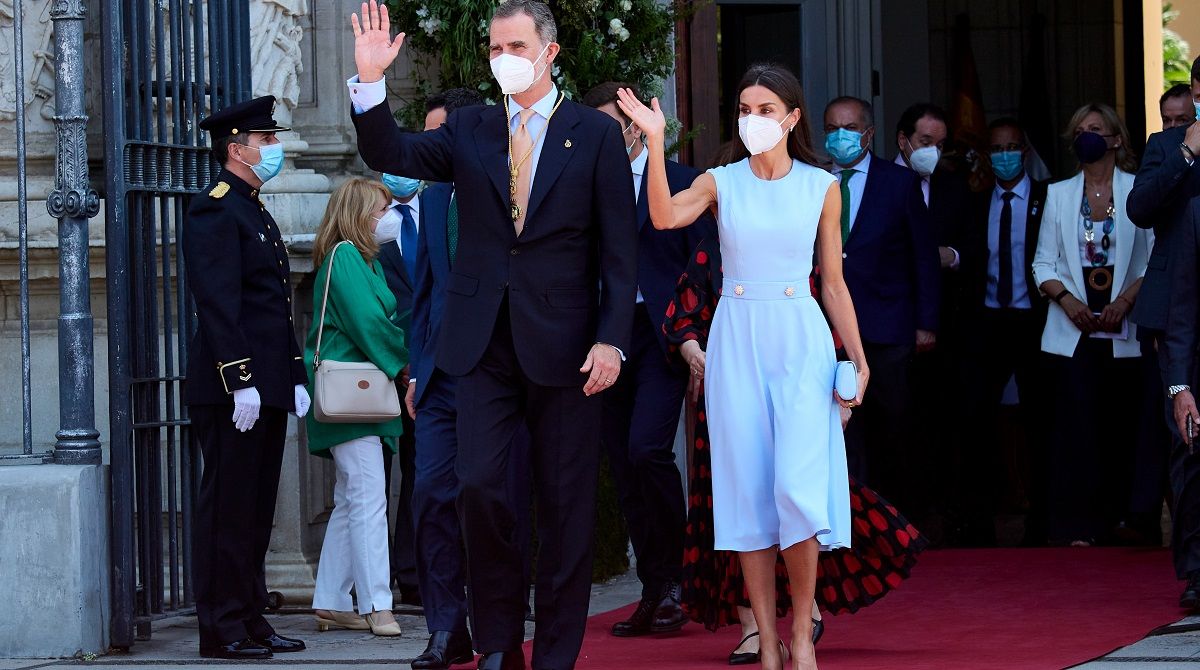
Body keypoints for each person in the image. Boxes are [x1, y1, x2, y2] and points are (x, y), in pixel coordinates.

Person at [347, 3, 638, 668]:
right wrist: (370, 83)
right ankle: (499, 645)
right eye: (495, 47)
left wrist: (612, 340)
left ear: (549, 52)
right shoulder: (470, 127)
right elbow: (392, 151)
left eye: (516, 46)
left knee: (564, 507)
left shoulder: (593, 133)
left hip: (568, 349)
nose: (503, 57)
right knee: (478, 490)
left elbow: (620, 253)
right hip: (481, 345)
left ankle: (555, 654)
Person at [618, 61, 869, 670]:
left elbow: (833, 283)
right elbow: (663, 217)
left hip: (801, 337)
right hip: (736, 339)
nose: (752, 120)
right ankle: (766, 641)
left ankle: (802, 632)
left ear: (792, 118)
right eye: (744, 109)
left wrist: (858, 360)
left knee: (797, 491)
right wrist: (655, 140)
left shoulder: (821, 187)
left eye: (765, 110)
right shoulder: (720, 181)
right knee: (748, 496)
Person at [666, 236, 927, 664]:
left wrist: (843, 382)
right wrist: (695, 352)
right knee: (739, 509)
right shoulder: (711, 246)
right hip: (731, 386)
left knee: (795, 497)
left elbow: (828, 305)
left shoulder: (797, 238)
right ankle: (754, 629)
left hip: (795, 385)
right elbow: (682, 316)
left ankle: (805, 618)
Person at [582, 80, 715, 638]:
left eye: (617, 126)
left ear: (639, 126)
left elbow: (703, 264)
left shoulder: (681, 181)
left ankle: (677, 579)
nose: (609, 138)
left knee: (647, 450)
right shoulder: (581, 184)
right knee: (623, 460)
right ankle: (654, 588)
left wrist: (694, 337)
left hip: (663, 334)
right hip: (603, 338)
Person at [184, 96, 310, 660]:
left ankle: (250, 614)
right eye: (266, 140)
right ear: (237, 150)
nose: (274, 148)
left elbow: (272, 306)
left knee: (256, 510)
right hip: (232, 388)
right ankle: (221, 626)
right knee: (228, 511)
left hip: (265, 385)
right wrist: (239, 379)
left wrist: (293, 373)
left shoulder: (252, 208)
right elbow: (218, 302)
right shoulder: (215, 208)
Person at [401, 86, 500, 669]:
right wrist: (418, 370)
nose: (430, 148)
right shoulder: (434, 198)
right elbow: (425, 291)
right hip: (438, 377)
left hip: (495, 373)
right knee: (431, 497)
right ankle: (445, 628)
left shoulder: (506, 187)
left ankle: (494, 627)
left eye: (440, 136)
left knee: (486, 499)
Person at [1031, 103, 1152, 547]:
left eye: (1096, 129)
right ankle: (1079, 526)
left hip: (1126, 325)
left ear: (1116, 139)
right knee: (1077, 428)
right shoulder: (1059, 193)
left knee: (1123, 426)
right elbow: (1043, 263)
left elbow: (1156, 259)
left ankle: (1125, 520)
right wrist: (1067, 301)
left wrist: (1124, 301)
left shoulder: (1139, 190)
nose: (1088, 136)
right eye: (1080, 130)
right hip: (1073, 327)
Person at [822, 96, 940, 508]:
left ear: (869, 134)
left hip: (888, 327)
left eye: (850, 128)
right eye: (832, 129)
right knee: (840, 430)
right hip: (828, 328)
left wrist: (926, 322)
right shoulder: (812, 180)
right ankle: (853, 521)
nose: (840, 136)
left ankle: (899, 519)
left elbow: (923, 256)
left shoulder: (899, 183)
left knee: (892, 427)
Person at [304, 177, 409, 637]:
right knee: (368, 499)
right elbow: (370, 323)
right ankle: (376, 604)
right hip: (355, 393)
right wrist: (406, 362)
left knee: (351, 499)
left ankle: (331, 599)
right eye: (380, 210)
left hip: (357, 394)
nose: (386, 218)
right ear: (360, 215)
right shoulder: (347, 256)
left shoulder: (361, 259)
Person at [959, 118, 1050, 545]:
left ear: (1025, 153)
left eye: (1012, 147)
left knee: (1040, 421)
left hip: (1035, 322)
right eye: (997, 149)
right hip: (988, 322)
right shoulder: (975, 203)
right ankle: (979, 524)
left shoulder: (1048, 199)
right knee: (976, 420)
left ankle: (1042, 523)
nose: (1005, 156)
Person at [1132, 55, 1200, 607]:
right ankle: (1197, 570)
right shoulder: (1169, 146)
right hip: (1181, 311)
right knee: (1189, 442)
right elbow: (1141, 208)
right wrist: (1187, 151)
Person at [894, 102, 971, 532]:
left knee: (938, 421)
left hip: (942, 324)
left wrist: (951, 256)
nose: (933, 153)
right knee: (891, 423)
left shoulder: (954, 186)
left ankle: (937, 515)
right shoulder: (880, 182)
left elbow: (973, 247)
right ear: (903, 140)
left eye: (941, 145)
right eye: (925, 142)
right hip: (886, 323)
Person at [375, 168, 421, 606]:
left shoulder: (441, 212)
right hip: (381, 370)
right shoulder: (371, 219)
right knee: (376, 477)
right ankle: (382, 577)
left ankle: (415, 573)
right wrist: (399, 363)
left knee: (422, 470)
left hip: (432, 365)